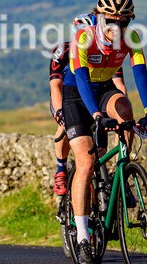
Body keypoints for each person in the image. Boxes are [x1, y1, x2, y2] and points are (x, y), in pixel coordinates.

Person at [61, 0, 147, 264]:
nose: (117, 28)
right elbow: (79, 76)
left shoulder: (131, 39)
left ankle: (122, 171)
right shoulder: (84, 35)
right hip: (76, 94)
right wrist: (96, 115)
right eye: (112, 22)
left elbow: (141, 75)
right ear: (100, 18)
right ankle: (81, 237)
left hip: (104, 88)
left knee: (126, 110)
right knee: (87, 162)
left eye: (123, 23)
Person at [49, 14, 125, 196]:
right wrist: (59, 111)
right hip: (68, 94)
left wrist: (120, 111)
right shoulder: (63, 50)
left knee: (99, 151)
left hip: (96, 96)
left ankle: (108, 180)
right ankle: (61, 169)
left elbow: (119, 84)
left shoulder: (108, 50)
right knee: (65, 123)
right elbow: (55, 85)